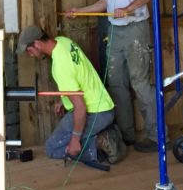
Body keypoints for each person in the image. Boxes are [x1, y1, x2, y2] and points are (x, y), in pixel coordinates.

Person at [67, 0, 160, 153]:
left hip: (136, 29)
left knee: (139, 83)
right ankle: (127, 135)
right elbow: (104, 4)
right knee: (116, 84)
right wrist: (80, 11)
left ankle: (157, 136)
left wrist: (128, 9)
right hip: (115, 32)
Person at [16, 24, 115, 164]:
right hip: (104, 105)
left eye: (29, 50)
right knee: (63, 141)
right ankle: (102, 134)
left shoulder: (60, 65)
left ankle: (101, 142)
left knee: (52, 148)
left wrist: (75, 140)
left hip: (95, 113)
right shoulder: (63, 42)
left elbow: (80, 108)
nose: (30, 55)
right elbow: (79, 75)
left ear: (37, 44)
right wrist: (65, 99)